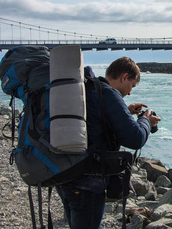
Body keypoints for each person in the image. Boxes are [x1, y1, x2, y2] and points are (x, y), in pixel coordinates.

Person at [56, 57, 161, 229]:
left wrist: (125, 112)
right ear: (124, 77)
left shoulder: (89, 89)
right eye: (132, 85)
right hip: (88, 179)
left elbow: (96, 125)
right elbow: (135, 138)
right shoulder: (108, 94)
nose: (130, 92)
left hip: (67, 171)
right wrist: (146, 121)